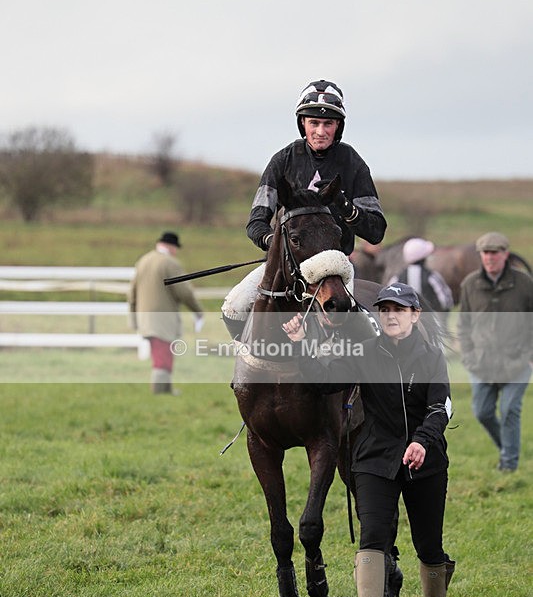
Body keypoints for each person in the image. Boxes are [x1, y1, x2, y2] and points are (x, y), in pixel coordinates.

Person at [283, 282, 455, 597]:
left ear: (415, 315)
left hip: (426, 460)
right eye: (384, 309)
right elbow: (324, 381)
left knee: (428, 545)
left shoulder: (431, 357)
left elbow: (441, 408)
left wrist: (422, 442)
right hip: (375, 458)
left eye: (399, 309)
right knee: (372, 536)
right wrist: (300, 345)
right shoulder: (365, 352)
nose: (391, 316)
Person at [222, 79, 387, 336]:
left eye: (328, 124)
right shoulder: (282, 161)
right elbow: (256, 222)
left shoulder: (353, 163)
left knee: (354, 334)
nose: (320, 131)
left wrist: (343, 205)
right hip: (285, 264)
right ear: (303, 123)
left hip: (334, 267)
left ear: (338, 126)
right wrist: (274, 242)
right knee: (234, 306)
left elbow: (376, 231)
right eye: (314, 123)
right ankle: (248, 364)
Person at [458, 231, 533, 472]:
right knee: (482, 412)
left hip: (517, 361)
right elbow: (463, 324)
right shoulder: (469, 284)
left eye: (495, 253)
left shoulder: (524, 283)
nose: (490, 258)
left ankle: (509, 464)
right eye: (486, 253)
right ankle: (507, 448)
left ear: (505, 255)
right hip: (481, 363)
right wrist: (468, 355)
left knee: (510, 409)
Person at [128, 231, 204, 394]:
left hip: (145, 318)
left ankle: (166, 390)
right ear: (171, 247)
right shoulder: (169, 263)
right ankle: (159, 392)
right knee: (162, 357)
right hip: (162, 319)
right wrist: (198, 311)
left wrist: (134, 319)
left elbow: (132, 293)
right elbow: (184, 291)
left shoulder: (143, 260)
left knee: (162, 354)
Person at [388, 238, 454, 318]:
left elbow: (388, 299)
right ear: (424, 257)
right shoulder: (432, 277)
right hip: (430, 322)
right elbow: (445, 302)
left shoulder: (397, 278)